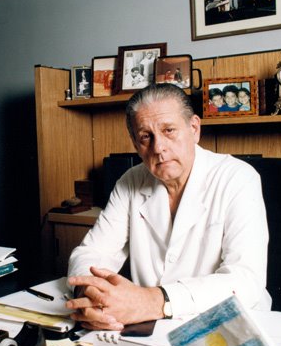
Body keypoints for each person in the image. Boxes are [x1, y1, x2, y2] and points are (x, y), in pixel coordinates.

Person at [66, 83, 270, 330]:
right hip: (150, 326)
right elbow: (91, 253)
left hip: (226, 325)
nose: (158, 148)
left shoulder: (237, 178)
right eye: (145, 136)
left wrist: (153, 301)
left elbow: (246, 281)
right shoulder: (131, 181)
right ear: (135, 143)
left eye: (169, 130)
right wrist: (92, 294)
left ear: (194, 129)